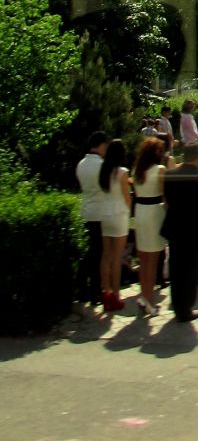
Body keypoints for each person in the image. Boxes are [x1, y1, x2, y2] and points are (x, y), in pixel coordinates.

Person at [163, 141, 198, 322]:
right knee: (192, 270)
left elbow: (167, 200)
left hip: (176, 227)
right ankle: (187, 307)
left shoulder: (169, 175)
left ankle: (178, 306)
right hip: (196, 230)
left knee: (176, 269)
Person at [133, 135, 171, 316]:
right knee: (153, 259)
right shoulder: (160, 169)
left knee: (143, 258)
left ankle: (144, 296)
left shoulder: (137, 170)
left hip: (140, 210)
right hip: (155, 211)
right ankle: (149, 300)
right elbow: (165, 195)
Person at [95, 137, 131, 313]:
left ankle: (106, 291)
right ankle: (116, 295)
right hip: (119, 213)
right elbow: (126, 197)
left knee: (106, 255)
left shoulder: (104, 170)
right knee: (117, 256)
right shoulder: (122, 172)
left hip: (105, 212)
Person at [75, 131, 110, 308]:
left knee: (90, 253)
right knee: (98, 254)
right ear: (102, 145)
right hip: (100, 212)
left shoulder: (81, 164)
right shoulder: (102, 165)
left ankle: (82, 288)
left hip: (86, 210)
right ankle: (95, 290)